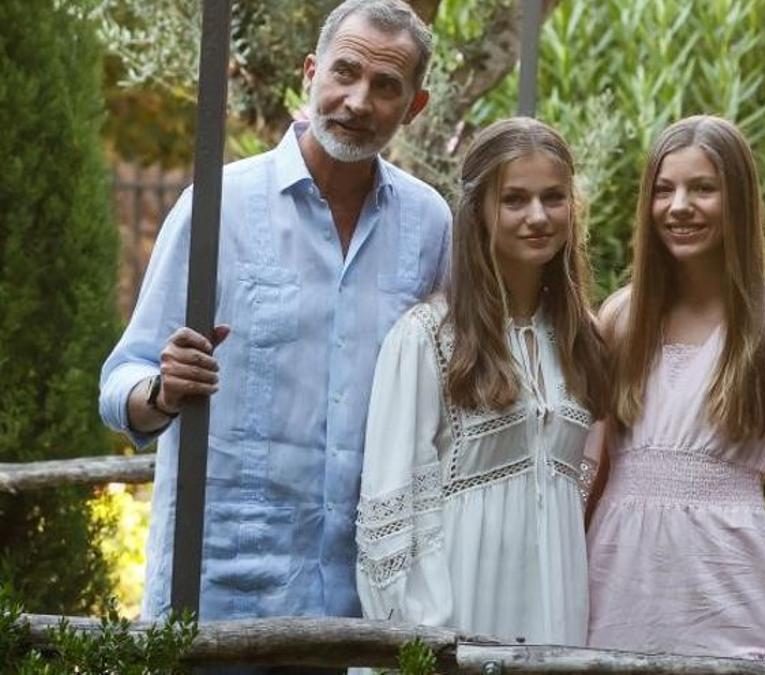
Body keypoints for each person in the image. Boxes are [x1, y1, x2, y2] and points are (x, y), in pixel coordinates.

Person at [98, 0, 450, 627]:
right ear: (311, 73)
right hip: (222, 590)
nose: (359, 101)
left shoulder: (429, 225)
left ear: (414, 107)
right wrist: (162, 390)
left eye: (386, 86)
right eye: (345, 72)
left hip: (364, 601)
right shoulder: (220, 206)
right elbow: (119, 382)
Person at [355, 117, 608, 645]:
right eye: (514, 199)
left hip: (556, 611)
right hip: (461, 616)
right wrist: (425, 639)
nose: (537, 216)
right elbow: (391, 511)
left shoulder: (580, 337)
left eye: (553, 198)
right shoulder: (425, 338)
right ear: (479, 212)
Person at [584, 115, 765, 659]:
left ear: (737, 198)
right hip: (615, 587)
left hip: (731, 595)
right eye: (664, 190)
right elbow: (593, 476)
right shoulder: (620, 319)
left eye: (703, 188)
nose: (679, 206)